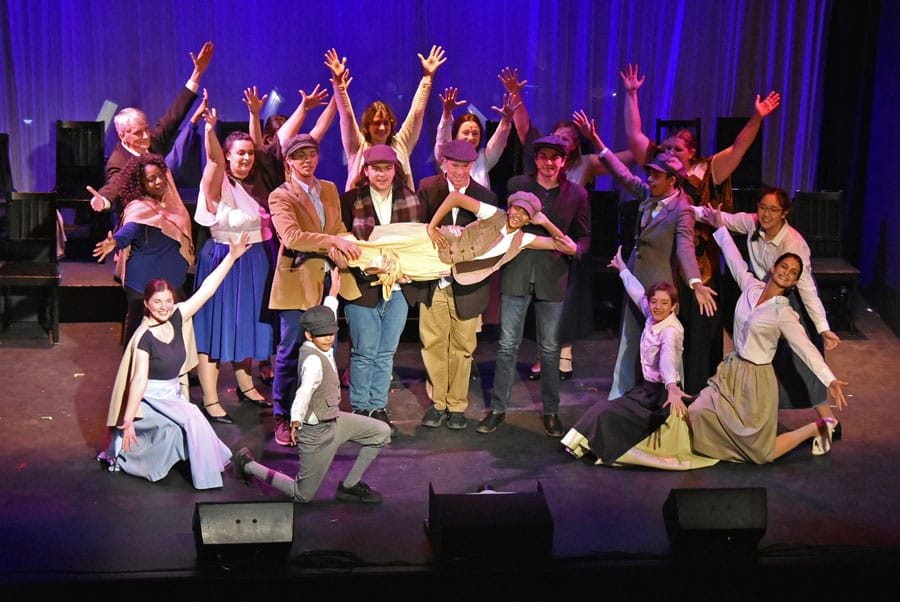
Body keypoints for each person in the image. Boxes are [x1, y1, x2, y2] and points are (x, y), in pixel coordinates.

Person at [621, 63, 781, 394]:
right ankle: (662, 391)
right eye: (666, 149)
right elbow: (635, 137)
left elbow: (739, 148)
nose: (669, 154)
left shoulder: (709, 170)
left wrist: (758, 117)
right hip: (669, 271)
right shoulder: (660, 173)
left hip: (701, 270)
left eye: (677, 150)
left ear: (692, 152)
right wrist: (632, 95)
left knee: (699, 338)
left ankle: (701, 395)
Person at [685, 207, 848, 463]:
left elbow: (806, 348)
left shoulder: (784, 313)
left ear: (794, 282)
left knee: (761, 454)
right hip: (731, 371)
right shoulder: (751, 287)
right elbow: (735, 260)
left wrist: (831, 380)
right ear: (773, 267)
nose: (787, 272)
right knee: (696, 412)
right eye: (784, 266)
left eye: (793, 272)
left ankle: (819, 426)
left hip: (758, 381)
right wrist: (719, 227)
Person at [578, 114, 717, 401]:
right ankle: (621, 396)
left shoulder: (682, 209)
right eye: (649, 174)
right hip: (634, 277)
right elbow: (622, 174)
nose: (649, 179)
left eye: (655, 175)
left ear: (671, 179)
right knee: (630, 340)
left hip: (660, 287)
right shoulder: (647, 195)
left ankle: (670, 397)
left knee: (663, 343)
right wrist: (596, 141)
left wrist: (695, 283)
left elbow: (684, 248)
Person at [99, 232, 252, 490]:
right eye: (157, 302)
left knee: (190, 420)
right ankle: (204, 478)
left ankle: (209, 468)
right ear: (146, 304)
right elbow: (137, 381)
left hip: (172, 394)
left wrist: (232, 258)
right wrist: (127, 418)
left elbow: (208, 289)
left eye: (168, 301)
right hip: (150, 398)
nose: (164, 307)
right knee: (191, 416)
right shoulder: (144, 337)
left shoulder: (178, 315)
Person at [232, 272, 391, 504]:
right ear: (308, 335)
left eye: (331, 333)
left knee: (381, 433)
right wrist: (295, 420)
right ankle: (248, 466)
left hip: (335, 421)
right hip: (315, 434)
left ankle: (349, 486)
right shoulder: (313, 360)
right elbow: (303, 392)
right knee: (302, 495)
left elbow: (327, 316)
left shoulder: (322, 343)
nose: (328, 338)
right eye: (322, 335)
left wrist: (333, 293)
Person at [476, 135, 590, 437]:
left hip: (553, 276)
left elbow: (584, 236)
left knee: (550, 348)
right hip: (517, 272)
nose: (549, 163)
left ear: (563, 161)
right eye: (543, 157)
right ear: (536, 159)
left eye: (555, 157)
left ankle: (551, 411)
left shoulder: (576, 194)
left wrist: (577, 250)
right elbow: (505, 223)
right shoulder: (517, 186)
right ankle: (498, 409)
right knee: (507, 344)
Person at [188, 102, 280, 424]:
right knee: (216, 329)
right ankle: (211, 398)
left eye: (250, 153)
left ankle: (246, 384)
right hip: (224, 261)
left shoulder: (254, 187)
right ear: (228, 155)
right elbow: (212, 158)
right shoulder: (216, 184)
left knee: (248, 325)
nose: (245, 158)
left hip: (254, 260)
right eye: (239, 153)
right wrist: (209, 130)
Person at [561, 246, 694, 465]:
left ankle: (590, 447)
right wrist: (622, 267)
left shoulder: (670, 330)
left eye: (664, 303)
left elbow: (668, 360)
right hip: (645, 390)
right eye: (654, 302)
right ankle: (579, 444)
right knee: (604, 408)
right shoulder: (652, 317)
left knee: (608, 410)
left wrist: (671, 387)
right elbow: (637, 292)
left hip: (658, 398)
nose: (657, 307)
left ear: (674, 307)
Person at [268, 133, 361, 447]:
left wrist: (343, 247)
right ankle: (283, 416)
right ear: (289, 161)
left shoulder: (331, 190)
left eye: (312, 154)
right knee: (291, 350)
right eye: (299, 156)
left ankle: (321, 414)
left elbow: (336, 229)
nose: (307, 161)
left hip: (326, 280)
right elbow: (293, 237)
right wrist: (334, 241)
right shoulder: (281, 195)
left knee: (326, 352)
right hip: (297, 282)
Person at [337, 145, 426, 436]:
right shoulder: (350, 200)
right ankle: (360, 409)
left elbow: (416, 242)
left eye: (387, 168)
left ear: (394, 170)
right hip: (363, 287)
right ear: (366, 171)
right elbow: (343, 242)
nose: (382, 174)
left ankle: (377, 407)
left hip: (399, 288)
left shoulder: (412, 200)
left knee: (386, 353)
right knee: (364, 353)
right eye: (376, 168)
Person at [416, 139, 499, 430]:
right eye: (455, 165)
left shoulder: (484, 196)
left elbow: (491, 240)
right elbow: (418, 231)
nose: (461, 171)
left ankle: (457, 406)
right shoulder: (428, 188)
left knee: (463, 346)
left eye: (466, 165)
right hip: (435, 281)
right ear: (445, 164)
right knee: (434, 343)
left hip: (469, 284)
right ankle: (438, 404)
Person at [89, 41, 214, 212]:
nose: (146, 136)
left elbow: (174, 115)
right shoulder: (119, 161)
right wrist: (103, 201)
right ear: (122, 136)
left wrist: (197, 74)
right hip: (140, 221)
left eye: (146, 129)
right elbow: (115, 184)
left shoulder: (152, 140)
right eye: (138, 133)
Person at [93, 154, 194, 345]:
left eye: (160, 176)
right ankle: (133, 374)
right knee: (138, 339)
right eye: (151, 179)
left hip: (173, 283)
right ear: (141, 184)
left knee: (176, 339)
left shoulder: (175, 207)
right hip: (143, 285)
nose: (158, 182)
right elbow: (128, 231)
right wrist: (114, 242)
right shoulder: (139, 209)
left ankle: (178, 374)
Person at [324, 45, 446, 191]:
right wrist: (339, 86)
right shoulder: (357, 146)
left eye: (386, 123)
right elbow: (347, 116)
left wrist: (428, 78)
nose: (382, 128)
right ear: (367, 127)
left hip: (399, 211)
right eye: (376, 123)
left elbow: (416, 112)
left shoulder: (401, 144)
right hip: (363, 211)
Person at [431, 86, 517, 189]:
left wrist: (506, 121)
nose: (471, 137)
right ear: (455, 135)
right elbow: (443, 142)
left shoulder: (482, 159)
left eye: (475, 133)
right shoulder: (445, 159)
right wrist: (446, 114)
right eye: (466, 132)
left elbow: (497, 143)